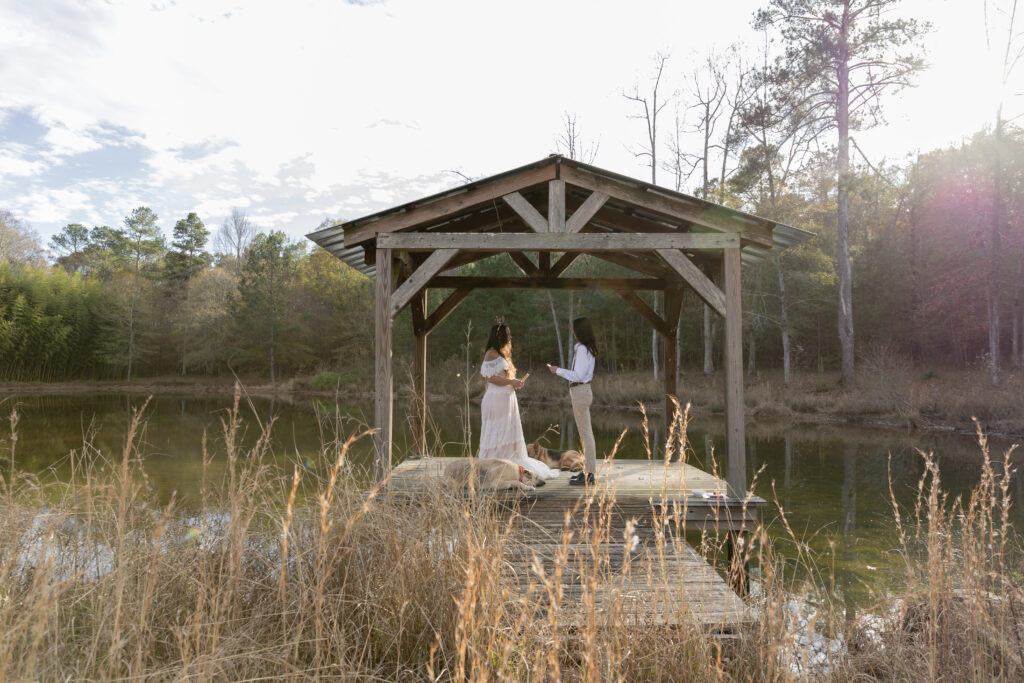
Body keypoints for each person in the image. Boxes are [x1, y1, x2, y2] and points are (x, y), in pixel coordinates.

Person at [478, 318, 559, 480]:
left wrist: (514, 383)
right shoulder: (491, 353)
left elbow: (501, 377)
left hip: (506, 399)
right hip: (496, 400)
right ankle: (495, 464)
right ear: (499, 336)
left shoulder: (501, 353)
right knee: (497, 431)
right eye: (508, 334)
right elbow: (491, 378)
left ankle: (509, 464)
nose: (510, 337)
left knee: (508, 431)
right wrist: (511, 382)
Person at [547, 317, 597, 486]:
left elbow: (578, 375)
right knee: (585, 434)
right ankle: (588, 473)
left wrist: (557, 371)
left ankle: (589, 475)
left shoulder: (583, 349)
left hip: (580, 392)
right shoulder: (585, 348)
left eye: (574, 329)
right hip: (581, 392)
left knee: (586, 435)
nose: (573, 332)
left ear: (579, 331)